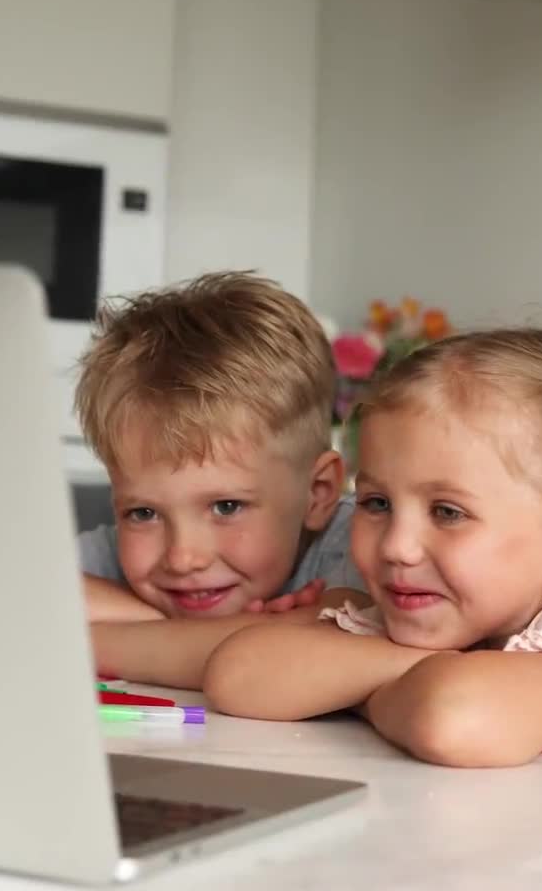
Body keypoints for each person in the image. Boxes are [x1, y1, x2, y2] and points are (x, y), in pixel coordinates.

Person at [204, 328, 542, 768]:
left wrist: (357, 691)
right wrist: (409, 681)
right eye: (377, 503)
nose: (397, 547)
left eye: (448, 512)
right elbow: (238, 673)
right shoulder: (424, 613)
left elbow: (453, 718)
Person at [76, 271, 366, 685]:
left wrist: (88, 631)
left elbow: (303, 658)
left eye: (226, 506)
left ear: (317, 493)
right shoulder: (111, 556)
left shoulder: (360, 544)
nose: (182, 557)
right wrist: (150, 620)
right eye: (143, 513)